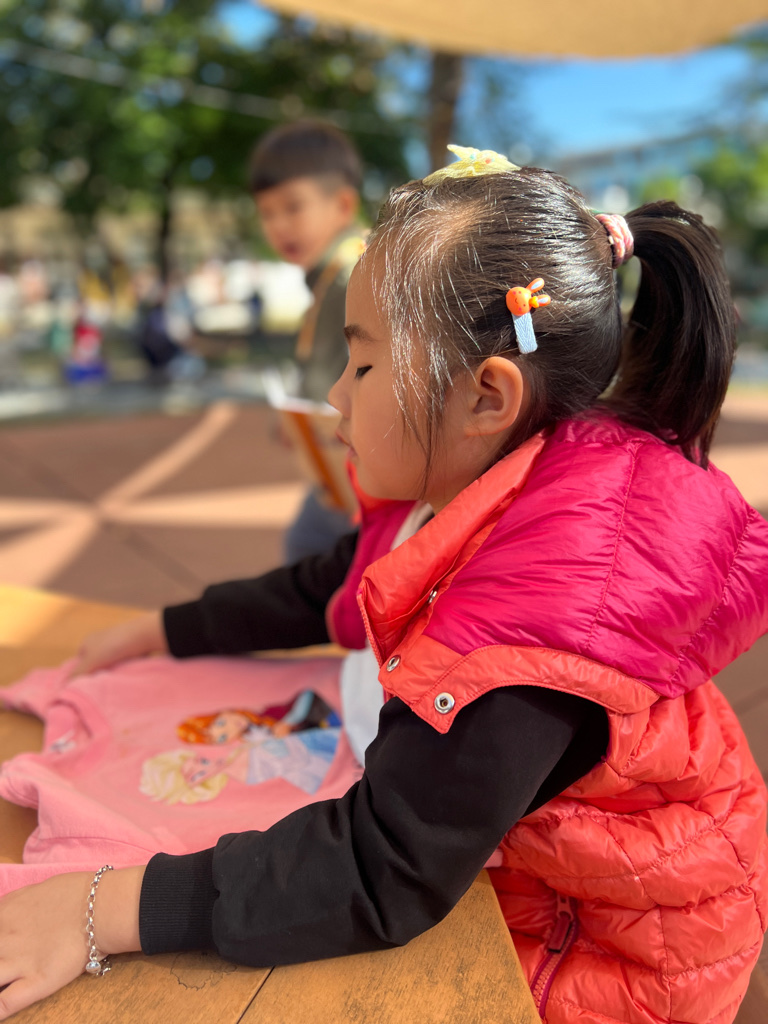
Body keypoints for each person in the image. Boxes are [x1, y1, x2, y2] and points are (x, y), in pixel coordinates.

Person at [1, 146, 767, 1024]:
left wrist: (97, 909)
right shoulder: (471, 487)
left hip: (605, 949)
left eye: (362, 366)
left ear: (486, 397)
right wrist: (161, 631)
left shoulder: (533, 630)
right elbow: (329, 585)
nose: (335, 396)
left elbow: (384, 865)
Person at [250, 119, 367, 562]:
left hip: (367, 473)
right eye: (267, 213)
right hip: (343, 464)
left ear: (343, 204)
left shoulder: (355, 276)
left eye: (293, 207)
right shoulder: (330, 276)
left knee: (310, 552)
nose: (279, 225)